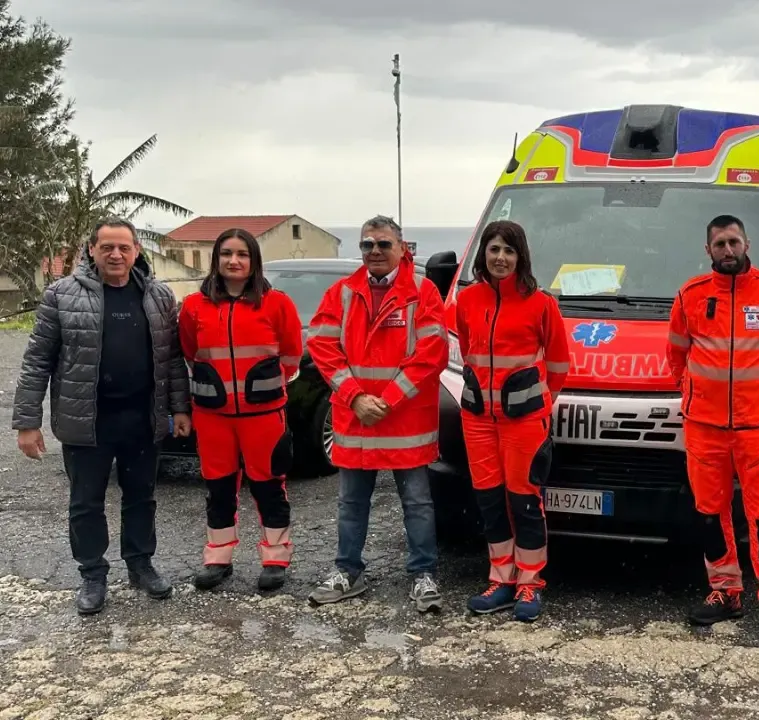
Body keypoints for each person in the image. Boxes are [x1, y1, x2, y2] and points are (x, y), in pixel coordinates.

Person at [12, 217, 192, 615]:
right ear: (91, 250)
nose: (115, 254)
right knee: (86, 503)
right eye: (107, 247)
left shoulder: (158, 297)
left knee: (142, 498)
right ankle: (93, 574)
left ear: (135, 252)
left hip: (142, 420)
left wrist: (180, 408)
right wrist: (27, 422)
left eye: (124, 247)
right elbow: (37, 360)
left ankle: (140, 564)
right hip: (86, 422)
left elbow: (172, 360)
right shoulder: (62, 295)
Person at [666, 213, 759, 646]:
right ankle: (725, 592)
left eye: (733, 242)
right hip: (704, 428)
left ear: (746, 243)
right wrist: (697, 396)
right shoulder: (690, 295)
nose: (727, 250)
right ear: (707, 251)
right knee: (710, 515)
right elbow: (676, 357)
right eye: (719, 244)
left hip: (757, 427)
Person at [305, 215, 449, 612]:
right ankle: (347, 572)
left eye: (384, 244)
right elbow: (322, 346)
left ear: (403, 249)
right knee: (351, 503)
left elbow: (432, 354)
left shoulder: (424, 292)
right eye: (367, 245)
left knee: (417, 503)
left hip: (404, 422)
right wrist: (355, 398)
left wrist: (386, 400)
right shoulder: (342, 292)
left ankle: (423, 575)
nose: (375, 251)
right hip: (357, 420)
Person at [454, 220, 570, 622]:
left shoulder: (541, 304)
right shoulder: (467, 301)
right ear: (483, 255)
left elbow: (558, 365)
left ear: (521, 256)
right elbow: (467, 348)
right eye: (493, 249)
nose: (500, 257)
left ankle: (530, 583)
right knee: (490, 502)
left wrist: (539, 404)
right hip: (478, 419)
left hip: (524, 422)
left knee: (525, 502)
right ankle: (500, 579)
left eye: (508, 250)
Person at [178, 228, 303, 593]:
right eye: (227, 253)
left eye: (242, 254)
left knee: (269, 488)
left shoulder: (277, 303)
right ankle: (218, 557)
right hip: (213, 416)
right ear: (216, 259)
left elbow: (292, 356)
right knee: (218, 489)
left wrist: (258, 390)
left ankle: (276, 558)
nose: (234, 261)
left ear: (254, 261)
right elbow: (189, 350)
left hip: (263, 416)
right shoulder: (193, 306)